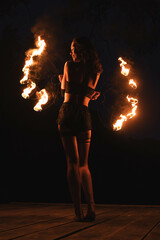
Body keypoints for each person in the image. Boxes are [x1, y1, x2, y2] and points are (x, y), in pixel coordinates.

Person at [57, 37, 103, 222]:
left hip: (68, 113)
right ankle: (91, 209)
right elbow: (87, 92)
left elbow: (63, 91)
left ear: (80, 50)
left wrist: (62, 80)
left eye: (73, 49)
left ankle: (78, 212)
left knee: (72, 163)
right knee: (84, 164)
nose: (71, 53)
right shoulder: (96, 70)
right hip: (84, 115)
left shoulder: (68, 65)